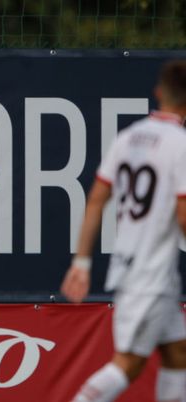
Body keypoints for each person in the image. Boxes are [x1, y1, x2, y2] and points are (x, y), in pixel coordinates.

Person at [61, 61, 186, 402]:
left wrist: (81, 263)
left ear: (159, 93)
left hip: (136, 266)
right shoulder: (180, 144)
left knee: (178, 353)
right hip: (151, 274)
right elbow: (184, 215)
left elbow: (97, 199)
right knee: (128, 364)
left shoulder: (128, 138)